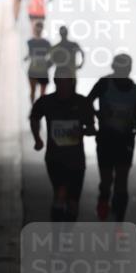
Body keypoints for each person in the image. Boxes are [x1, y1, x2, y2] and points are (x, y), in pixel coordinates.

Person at [30, 75, 96, 221]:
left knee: (73, 201)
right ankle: (57, 233)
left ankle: (67, 235)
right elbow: (34, 116)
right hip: (55, 158)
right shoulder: (46, 101)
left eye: (67, 82)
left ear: (72, 82)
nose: (64, 87)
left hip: (76, 161)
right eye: (61, 82)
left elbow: (91, 127)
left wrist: (83, 131)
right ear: (55, 82)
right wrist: (37, 139)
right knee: (60, 192)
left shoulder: (82, 102)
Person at [87, 54, 136, 222]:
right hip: (108, 138)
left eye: (123, 69)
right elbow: (87, 102)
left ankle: (116, 215)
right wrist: (97, 116)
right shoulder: (104, 84)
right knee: (109, 180)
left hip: (123, 139)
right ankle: (107, 208)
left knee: (119, 180)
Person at [24, 20, 52, 103]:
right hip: (43, 70)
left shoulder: (30, 42)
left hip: (33, 70)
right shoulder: (46, 43)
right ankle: (40, 110)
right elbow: (52, 56)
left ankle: (34, 109)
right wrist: (48, 65)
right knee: (42, 94)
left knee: (33, 91)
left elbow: (29, 54)